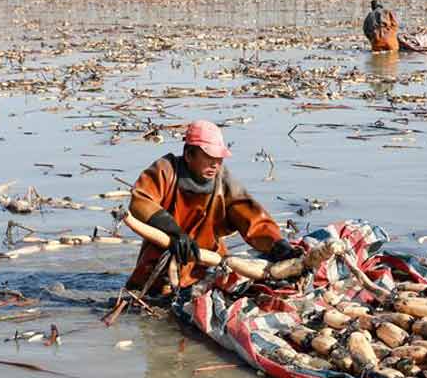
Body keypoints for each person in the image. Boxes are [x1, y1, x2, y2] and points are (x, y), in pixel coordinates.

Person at [125, 120, 299, 295]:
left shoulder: (224, 183)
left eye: (219, 158)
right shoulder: (166, 170)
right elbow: (140, 202)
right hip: (161, 266)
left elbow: (251, 218)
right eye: (209, 157)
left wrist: (278, 245)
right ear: (189, 155)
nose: (215, 164)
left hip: (206, 267)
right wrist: (174, 231)